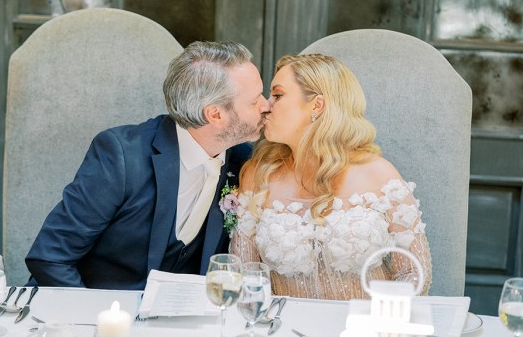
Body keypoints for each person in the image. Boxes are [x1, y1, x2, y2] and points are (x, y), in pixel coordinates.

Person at [25, 41, 270, 289]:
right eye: (254, 101)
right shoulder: (121, 156)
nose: (267, 106)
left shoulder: (242, 161)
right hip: (92, 313)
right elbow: (50, 258)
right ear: (215, 114)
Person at [230, 53, 432, 300]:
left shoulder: (380, 175)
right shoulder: (257, 175)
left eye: (278, 95)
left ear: (317, 105)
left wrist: (376, 322)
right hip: (284, 330)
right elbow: (242, 274)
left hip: (362, 331)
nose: (266, 106)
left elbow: (415, 273)